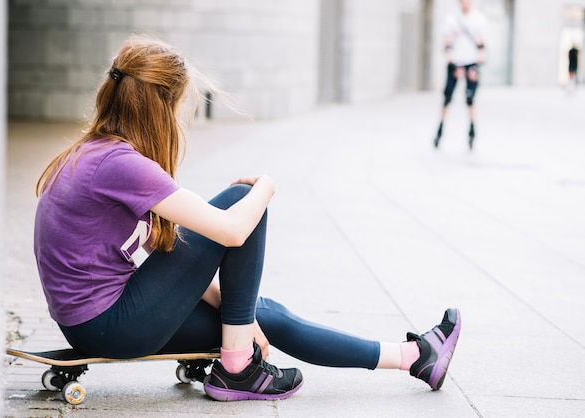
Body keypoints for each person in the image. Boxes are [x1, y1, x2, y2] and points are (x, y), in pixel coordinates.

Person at [34, 35, 462, 402]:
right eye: (184, 106)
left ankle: (414, 357)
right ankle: (238, 369)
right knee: (243, 199)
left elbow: (178, 260)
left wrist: (242, 315)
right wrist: (266, 188)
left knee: (262, 313)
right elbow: (232, 230)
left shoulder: (97, 156)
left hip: (99, 323)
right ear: (161, 107)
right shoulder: (120, 164)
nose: (184, 119)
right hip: (111, 324)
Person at [433, 0, 487, 150]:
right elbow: (447, 44)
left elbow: (482, 45)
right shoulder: (452, 18)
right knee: (447, 98)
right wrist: (454, 65)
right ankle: (440, 130)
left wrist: (476, 67)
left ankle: (471, 131)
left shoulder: (479, 19)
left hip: (471, 63)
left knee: (470, 99)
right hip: (455, 63)